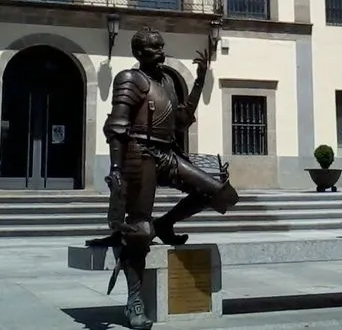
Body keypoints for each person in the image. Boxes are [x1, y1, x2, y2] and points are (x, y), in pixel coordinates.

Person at [102, 27, 239, 330]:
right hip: (140, 153)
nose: (161, 53)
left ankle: (165, 224)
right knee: (139, 229)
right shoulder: (129, 79)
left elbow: (181, 119)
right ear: (139, 53)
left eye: (162, 47)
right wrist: (115, 169)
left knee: (221, 194)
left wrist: (200, 80)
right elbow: (116, 127)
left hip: (167, 154)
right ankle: (134, 299)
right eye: (153, 49)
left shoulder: (165, 81)